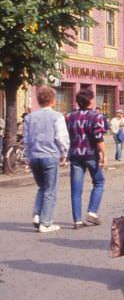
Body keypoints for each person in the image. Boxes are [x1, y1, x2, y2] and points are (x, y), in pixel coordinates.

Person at [23, 86, 70, 233]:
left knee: (42, 187)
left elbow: (26, 140)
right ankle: (46, 222)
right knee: (50, 190)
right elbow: (61, 138)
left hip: (34, 156)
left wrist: (27, 157)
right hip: (50, 156)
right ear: (52, 100)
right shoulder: (57, 116)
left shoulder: (29, 117)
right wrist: (64, 154)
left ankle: (37, 215)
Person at [66, 88, 107, 229]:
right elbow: (99, 138)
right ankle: (92, 211)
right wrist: (104, 155)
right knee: (99, 182)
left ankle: (77, 220)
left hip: (75, 155)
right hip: (91, 155)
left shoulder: (70, 116)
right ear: (89, 100)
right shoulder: (96, 116)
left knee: (76, 189)